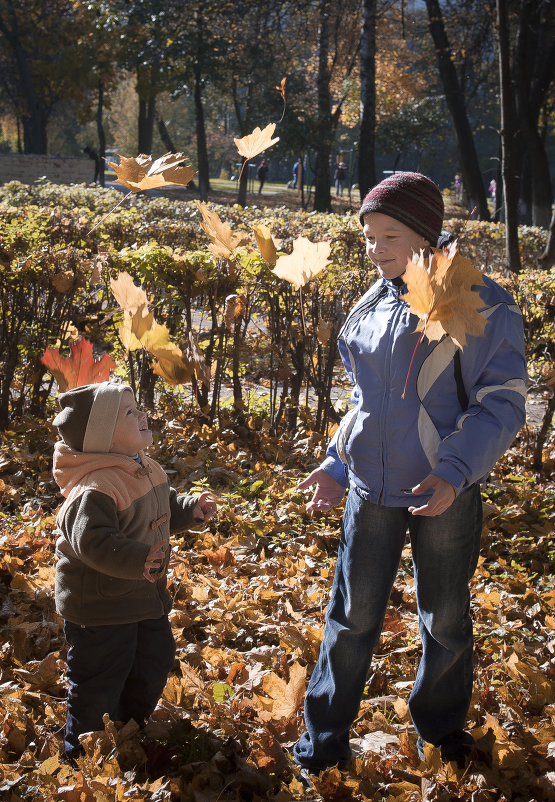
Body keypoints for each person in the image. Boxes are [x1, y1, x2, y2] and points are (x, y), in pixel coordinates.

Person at [293, 172, 527, 772]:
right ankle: (322, 744)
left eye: (389, 236)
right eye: (368, 237)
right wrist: (336, 463)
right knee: (351, 618)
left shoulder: (480, 300)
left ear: (425, 234)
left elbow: (500, 402)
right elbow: (366, 402)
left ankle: (442, 738)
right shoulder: (373, 301)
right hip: (370, 491)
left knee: (444, 618)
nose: (375, 249)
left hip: (444, 492)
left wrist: (454, 471)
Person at [52, 381, 217, 762]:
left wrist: (187, 509)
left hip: (143, 597)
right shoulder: (94, 488)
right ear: (104, 437)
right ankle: (83, 755)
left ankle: (127, 726)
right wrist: (136, 558)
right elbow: (92, 540)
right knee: (100, 680)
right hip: (100, 607)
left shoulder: (144, 467)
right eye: (129, 412)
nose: (142, 414)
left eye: (138, 407)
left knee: (153, 660)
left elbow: (161, 506)